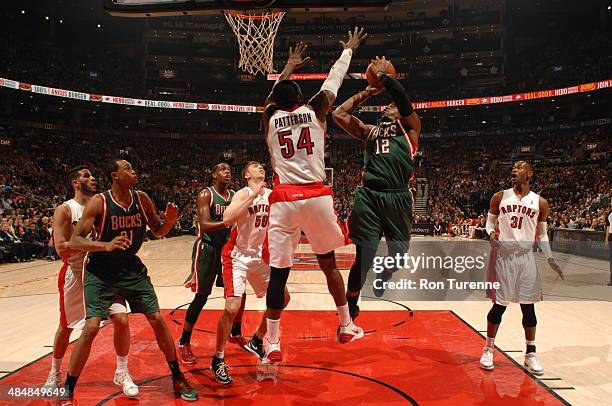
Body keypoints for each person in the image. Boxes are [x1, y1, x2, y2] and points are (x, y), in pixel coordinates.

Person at [261, 28, 368, 363]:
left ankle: (273, 342)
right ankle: (346, 325)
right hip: (316, 196)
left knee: (279, 274)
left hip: (283, 198)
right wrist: (348, 50)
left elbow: (271, 98)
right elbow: (334, 80)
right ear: (301, 98)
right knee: (328, 264)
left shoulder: (269, 117)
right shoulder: (317, 109)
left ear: (277, 101)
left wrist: (288, 66)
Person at [61, 159, 197, 405]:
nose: (134, 172)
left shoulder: (142, 199)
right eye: (128, 169)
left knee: (157, 318)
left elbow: (157, 231)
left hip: (131, 269)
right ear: (115, 175)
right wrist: (106, 245)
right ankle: (68, 388)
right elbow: (75, 241)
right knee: (91, 327)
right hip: (100, 271)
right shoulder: (99, 202)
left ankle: (177, 377)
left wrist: (169, 221)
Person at [332, 56, 421, 317]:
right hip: (369, 196)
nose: (391, 107)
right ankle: (351, 301)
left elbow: (402, 97)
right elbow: (339, 114)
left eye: (394, 106)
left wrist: (384, 77)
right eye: (388, 106)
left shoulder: (410, 128)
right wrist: (367, 92)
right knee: (365, 256)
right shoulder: (370, 131)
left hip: (398, 197)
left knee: (399, 255)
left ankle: (384, 274)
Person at [43, 166, 138, 397]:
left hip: (104, 271)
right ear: (75, 183)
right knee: (66, 327)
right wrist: (95, 244)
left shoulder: (104, 205)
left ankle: (122, 371)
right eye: (86, 176)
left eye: (93, 175)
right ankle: (54, 372)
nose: (93, 178)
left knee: (122, 320)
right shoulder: (66, 210)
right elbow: (60, 247)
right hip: (76, 273)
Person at [479, 161, 564, 375]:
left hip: (526, 256)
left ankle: (531, 354)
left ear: (530, 174)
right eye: (513, 168)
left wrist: (550, 258)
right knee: (500, 306)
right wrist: (490, 234)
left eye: (520, 167)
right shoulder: (499, 197)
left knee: (529, 307)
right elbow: (489, 223)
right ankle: (488, 348)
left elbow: (542, 234)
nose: (514, 170)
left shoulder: (540, 202)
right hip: (504, 257)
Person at [211, 161, 290, 384]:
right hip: (236, 256)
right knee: (232, 308)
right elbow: (227, 219)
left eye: (261, 165)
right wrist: (253, 194)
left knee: (282, 298)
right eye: (255, 166)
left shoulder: (272, 194)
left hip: (259, 257)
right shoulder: (243, 193)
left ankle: (257, 339)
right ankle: (217, 359)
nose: (260, 168)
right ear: (246, 175)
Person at [178, 163, 238, 364]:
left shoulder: (234, 195)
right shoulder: (207, 194)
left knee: (237, 293)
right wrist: (227, 222)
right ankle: (184, 341)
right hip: (207, 248)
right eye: (222, 169)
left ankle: (236, 332)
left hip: (227, 250)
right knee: (202, 296)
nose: (227, 171)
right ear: (213, 173)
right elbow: (204, 224)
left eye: (229, 169)